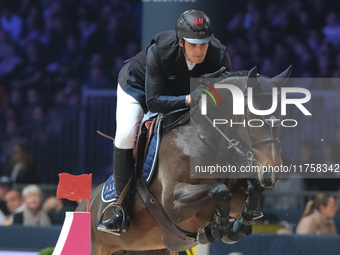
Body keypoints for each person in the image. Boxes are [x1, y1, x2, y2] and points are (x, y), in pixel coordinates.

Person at [98, 10, 231, 234]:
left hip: (183, 93)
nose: (200, 51)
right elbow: (154, 102)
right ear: (181, 41)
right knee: (126, 134)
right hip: (139, 89)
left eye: (204, 44)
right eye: (193, 45)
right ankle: (120, 208)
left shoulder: (218, 55)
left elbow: (224, 97)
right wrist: (189, 99)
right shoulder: (159, 52)